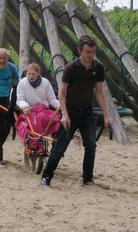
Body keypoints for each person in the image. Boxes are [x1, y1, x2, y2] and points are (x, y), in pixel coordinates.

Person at [40, 35, 109, 188]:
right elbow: (62, 92)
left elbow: (99, 92)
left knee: (91, 145)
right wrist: (64, 114)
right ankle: (46, 177)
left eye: (93, 52)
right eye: (87, 52)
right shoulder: (71, 68)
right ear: (80, 51)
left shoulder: (98, 68)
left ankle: (87, 178)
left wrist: (105, 115)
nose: (90, 56)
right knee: (60, 147)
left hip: (87, 113)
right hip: (70, 113)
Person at [14, 63, 61, 154]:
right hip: (29, 110)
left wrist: (61, 106)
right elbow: (20, 99)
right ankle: (37, 145)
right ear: (26, 74)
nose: (31, 76)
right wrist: (24, 106)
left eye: (34, 74)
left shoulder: (45, 82)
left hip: (43, 109)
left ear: (38, 74)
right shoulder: (22, 83)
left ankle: (56, 148)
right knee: (35, 122)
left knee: (57, 120)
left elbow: (51, 99)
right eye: (29, 74)